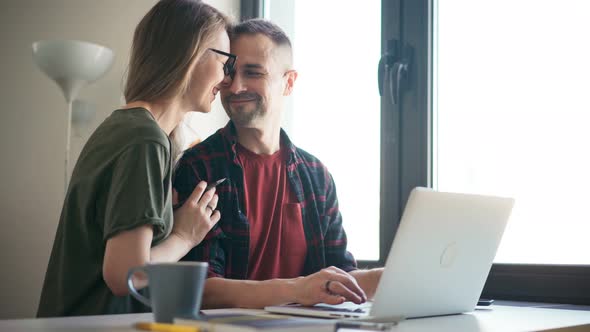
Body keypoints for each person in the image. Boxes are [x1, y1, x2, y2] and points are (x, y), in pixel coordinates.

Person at [37, 0, 235, 317]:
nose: (227, 79)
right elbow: (125, 275)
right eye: (226, 61)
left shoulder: (127, 129)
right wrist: (184, 236)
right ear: (190, 52)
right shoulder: (144, 140)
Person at [173, 19, 383, 309]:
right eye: (229, 72)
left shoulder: (317, 176)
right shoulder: (199, 168)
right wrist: (298, 289)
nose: (235, 87)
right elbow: (201, 289)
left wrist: (394, 277)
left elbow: (339, 275)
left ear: (289, 82)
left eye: (253, 73)